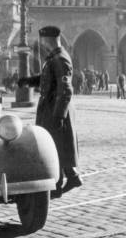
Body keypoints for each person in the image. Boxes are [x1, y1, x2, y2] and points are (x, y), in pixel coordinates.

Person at [18, 26, 81, 199]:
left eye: (44, 40)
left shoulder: (61, 59)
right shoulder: (54, 58)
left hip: (56, 110)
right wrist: (28, 81)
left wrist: (58, 116)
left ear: (49, 40)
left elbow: (66, 90)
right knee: (56, 145)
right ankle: (71, 178)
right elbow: (46, 79)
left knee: (54, 147)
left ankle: (57, 186)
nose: (42, 44)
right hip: (51, 108)